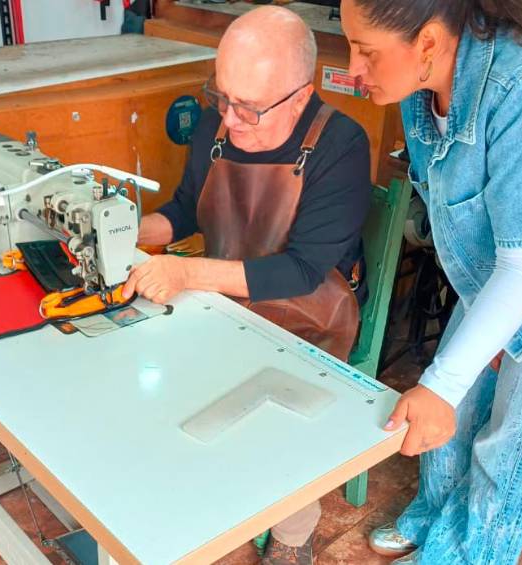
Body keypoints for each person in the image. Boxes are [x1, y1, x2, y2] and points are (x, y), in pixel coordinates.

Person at [339, 0, 522, 563]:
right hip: (505, 271)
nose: (352, 66)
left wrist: (445, 383)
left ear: (426, 42)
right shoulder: (423, 83)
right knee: (450, 414)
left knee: (511, 452)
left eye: (366, 50)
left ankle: (466, 554)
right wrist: (464, 365)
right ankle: (435, 519)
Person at [122, 7, 371, 563]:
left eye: (249, 108)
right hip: (226, 299)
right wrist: (129, 232)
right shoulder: (219, 121)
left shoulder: (341, 144)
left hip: (310, 315)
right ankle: (194, 498)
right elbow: (187, 206)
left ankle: (292, 535)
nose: (229, 119)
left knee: (280, 404)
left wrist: (185, 273)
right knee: (149, 362)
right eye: (222, 97)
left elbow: (303, 271)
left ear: (300, 97)